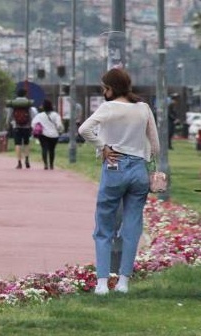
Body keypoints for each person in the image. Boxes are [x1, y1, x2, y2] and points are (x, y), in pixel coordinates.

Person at [78, 68, 160, 295]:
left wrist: (103, 147)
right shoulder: (143, 108)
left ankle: (103, 283)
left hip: (115, 167)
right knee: (132, 227)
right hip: (139, 171)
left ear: (110, 88)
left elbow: (84, 129)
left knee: (104, 228)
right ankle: (124, 281)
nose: (104, 91)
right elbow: (155, 146)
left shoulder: (108, 107)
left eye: (104, 88)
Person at [6, 88, 36, 169]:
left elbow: (9, 115)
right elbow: (31, 114)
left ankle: (19, 162)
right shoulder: (27, 103)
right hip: (27, 126)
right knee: (26, 143)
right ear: (24, 94)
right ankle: (27, 160)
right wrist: (32, 125)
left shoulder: (14, 103)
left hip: (16, 126)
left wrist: (8, 123)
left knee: (17, 144)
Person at [31, 99, 64, 170]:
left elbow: (33, 124)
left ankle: (45, 164)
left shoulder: (39, 115)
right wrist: (60, 131)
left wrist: (38, 129)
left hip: (43, 135)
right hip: (54, 135)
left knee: (44, 149)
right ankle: (51, 165)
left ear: (43, 107)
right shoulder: (56, 115)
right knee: (52, 150)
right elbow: (59, 125)